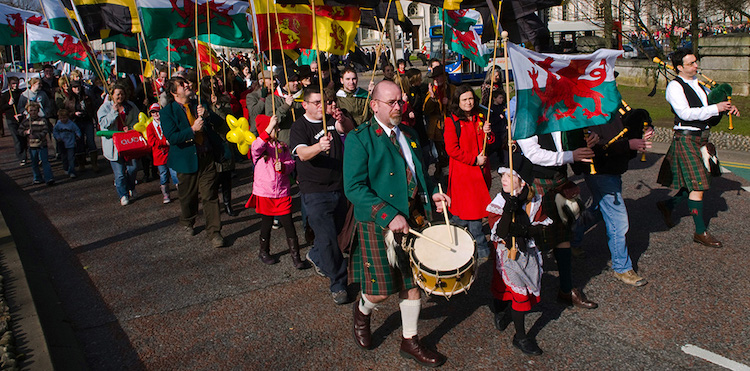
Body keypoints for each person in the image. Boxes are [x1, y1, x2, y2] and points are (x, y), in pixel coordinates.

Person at [345, 80, 451, 367]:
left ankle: (410, 339)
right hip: (379, 223)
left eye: (400, 102)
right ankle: (363, 311)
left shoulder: (409, 133)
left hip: (412, 219)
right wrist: (389, 215)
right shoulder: (360, 138)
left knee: (412, 282)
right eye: (391, 102)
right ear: (374, 105)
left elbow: (419, 174)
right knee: (380, 290)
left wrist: (433, 195)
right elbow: (353, 188)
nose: (398, 107)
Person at [656, 49, 740, 248]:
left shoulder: (701, 85)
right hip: (686, 139)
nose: (696, 66)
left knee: (697, 180)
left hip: (703, 139)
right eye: (691, 63)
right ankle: (700, 232)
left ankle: (668, 205)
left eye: (695, 62)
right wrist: (715, 108)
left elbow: (709, 111)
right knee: (698, 184)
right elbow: (685, 113)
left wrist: (725, 108)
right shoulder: (674, 87)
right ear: (679, 67)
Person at [568, 108, 652, 286]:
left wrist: (646, 126)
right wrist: (628, 145)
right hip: (599, 170)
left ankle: (572, 237)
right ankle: (622, 267)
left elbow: (631, 119)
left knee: (599, 209)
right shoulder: (587, 109)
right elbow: (596, 146)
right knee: (618, 219)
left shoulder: (611, 101)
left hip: (612, 169)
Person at [516, 130, 599, 309]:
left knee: (564, 236)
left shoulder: (561, 112)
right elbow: (533, 153)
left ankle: (566, 290)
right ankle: (521, 292)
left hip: (560, 178)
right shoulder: (528, 115)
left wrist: (591, 137)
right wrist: (571, 155)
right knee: (533, 237)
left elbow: (574, 132)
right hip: (537, 181)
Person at [290, 86, 353, 305]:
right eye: (316, 103)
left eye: (322, 102)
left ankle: (316, 255)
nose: (320, 106)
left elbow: (349, 129)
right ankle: (338, 284)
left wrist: (342, 119)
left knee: (336, 234)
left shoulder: (331, 120)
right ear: (305, 104)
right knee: (327, 239)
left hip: (339, 185)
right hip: (315, 190)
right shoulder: (299, 126)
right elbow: (302, 154)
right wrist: (318, 146)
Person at [161, 76, 228, 248]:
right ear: (174, 92)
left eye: (187, 82)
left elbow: (221, 125)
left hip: (206, 157)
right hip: (186, 160)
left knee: (210, 196)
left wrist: (208, 115)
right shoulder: (167, 112)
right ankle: (187, 220)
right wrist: (192, 130)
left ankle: (214, 233)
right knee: (188, 196)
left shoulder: (199, 104)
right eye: (182, 85)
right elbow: (172, 137)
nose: (188, 85)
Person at [487, 162, 544, 356]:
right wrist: (509, 211)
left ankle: (504, 311)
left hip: (526, 251)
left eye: (510, 177)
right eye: (503, 175)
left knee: (517, 290)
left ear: (522, 183)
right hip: (506, 252)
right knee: (514, 293)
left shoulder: (533, 201)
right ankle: (520, 336)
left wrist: (528, 230)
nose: (503, 179)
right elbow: (500, 232)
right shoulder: (499, 203)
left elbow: (541, 226)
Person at [248, 114, 309, 269]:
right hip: (265, 193)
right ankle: (264, 251)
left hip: (282, 192)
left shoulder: (282, 146)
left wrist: (284, 167)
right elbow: (256, 146)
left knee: (289, 224)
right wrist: (269, 127)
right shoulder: (260, 147)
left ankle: (296, 257)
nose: (279, 129)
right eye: (276, 127)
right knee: (266, 223)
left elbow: (290, 162)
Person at [444, 85, 494, 260]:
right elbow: (452, 149)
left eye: (471, 98)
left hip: (480, 173)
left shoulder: (480, 116)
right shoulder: (452, 120)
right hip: (464, 174)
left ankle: (454, 235)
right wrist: (474, 160)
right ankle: (481, 250)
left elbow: (488, 142)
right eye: (464, 99)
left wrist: (489, 132)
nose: (468, 102)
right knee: (473, 214)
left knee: (466, 212)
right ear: (458, 101)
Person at [98, 83, 140, 206]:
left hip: (129, 143)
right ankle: (123, 194)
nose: (120, 96)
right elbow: (104, 124)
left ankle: (131, 187)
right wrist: (113, 112)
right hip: (114, 146)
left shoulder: (131, 106)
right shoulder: (104, 108)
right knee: (120, 174)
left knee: (133, 169)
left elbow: (138, 120)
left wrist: (131, 128)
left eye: (122, 94)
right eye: (117, 94)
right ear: (112, 95)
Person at [423, 66, 456, 175]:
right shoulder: (431, 91)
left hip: (450, 124)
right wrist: (432, 98)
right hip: (436, 126)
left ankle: (450, 169)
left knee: (451, 148)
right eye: (435, 77)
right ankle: (440, 168)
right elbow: (426, 110)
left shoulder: (452, 89)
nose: (437, 79)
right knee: (438, 151)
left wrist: (449, 103)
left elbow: (459, 106)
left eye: (439, 76)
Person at [146, 103, 178, 204]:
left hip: (170, 153)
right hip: (159, 156)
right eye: (153, 112)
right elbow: (152, 142)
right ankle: (166, 194)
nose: (156, 114)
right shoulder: (150, 127)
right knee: (163, 175)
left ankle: (181, 192)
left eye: (157, 111)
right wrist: (164, 142)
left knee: (175, 174)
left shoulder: (167, 122)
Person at [67, 80, 99, 173]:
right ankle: (81, 164)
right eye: (75, 87)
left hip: (87, 121)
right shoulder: (69, 100)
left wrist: (96, 121)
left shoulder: (87, 97)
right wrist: (74, 113)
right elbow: (66, 113)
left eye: (78, 87)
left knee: (91, 141)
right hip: (76, 122)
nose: (77, 89)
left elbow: (93, 109)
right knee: (79, 142)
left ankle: (94, 163)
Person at [19, 102, 54, 185]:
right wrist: (26, 132)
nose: (33, 112)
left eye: (35, 110)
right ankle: (37, 177)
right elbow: (20, 131)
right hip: (32, 146)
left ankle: (48, 178)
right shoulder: (26, 122)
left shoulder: (42, 120)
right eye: (31, 110)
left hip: (42, 145)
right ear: (28, 112)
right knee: (34, 163)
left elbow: (45, 131)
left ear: (38, 111)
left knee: (45, 162)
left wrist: (35, 135)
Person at [0, 77, 26, 164]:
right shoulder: (6, 95)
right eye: (13, 83)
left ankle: (25, 155)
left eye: (16, 83)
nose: (15, 85)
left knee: (23, 138)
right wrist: (8, 104)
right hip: (11, 119)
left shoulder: (21, 93)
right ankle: (21, 157)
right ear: (9, 85)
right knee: (17, 138)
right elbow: (1, 108)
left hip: (21, 118)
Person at [53, 108, 81, 178]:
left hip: (70, 143)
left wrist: (78, 135)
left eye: (65, 117)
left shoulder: (71, 124)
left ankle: (72, 171)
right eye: (61, 118)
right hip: (62, 143)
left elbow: (77, 130)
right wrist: (57, 137)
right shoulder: (58, 125)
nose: (63, 119)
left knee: (71, 158)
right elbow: (55, 132)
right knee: (64, 157)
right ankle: (66, 168)